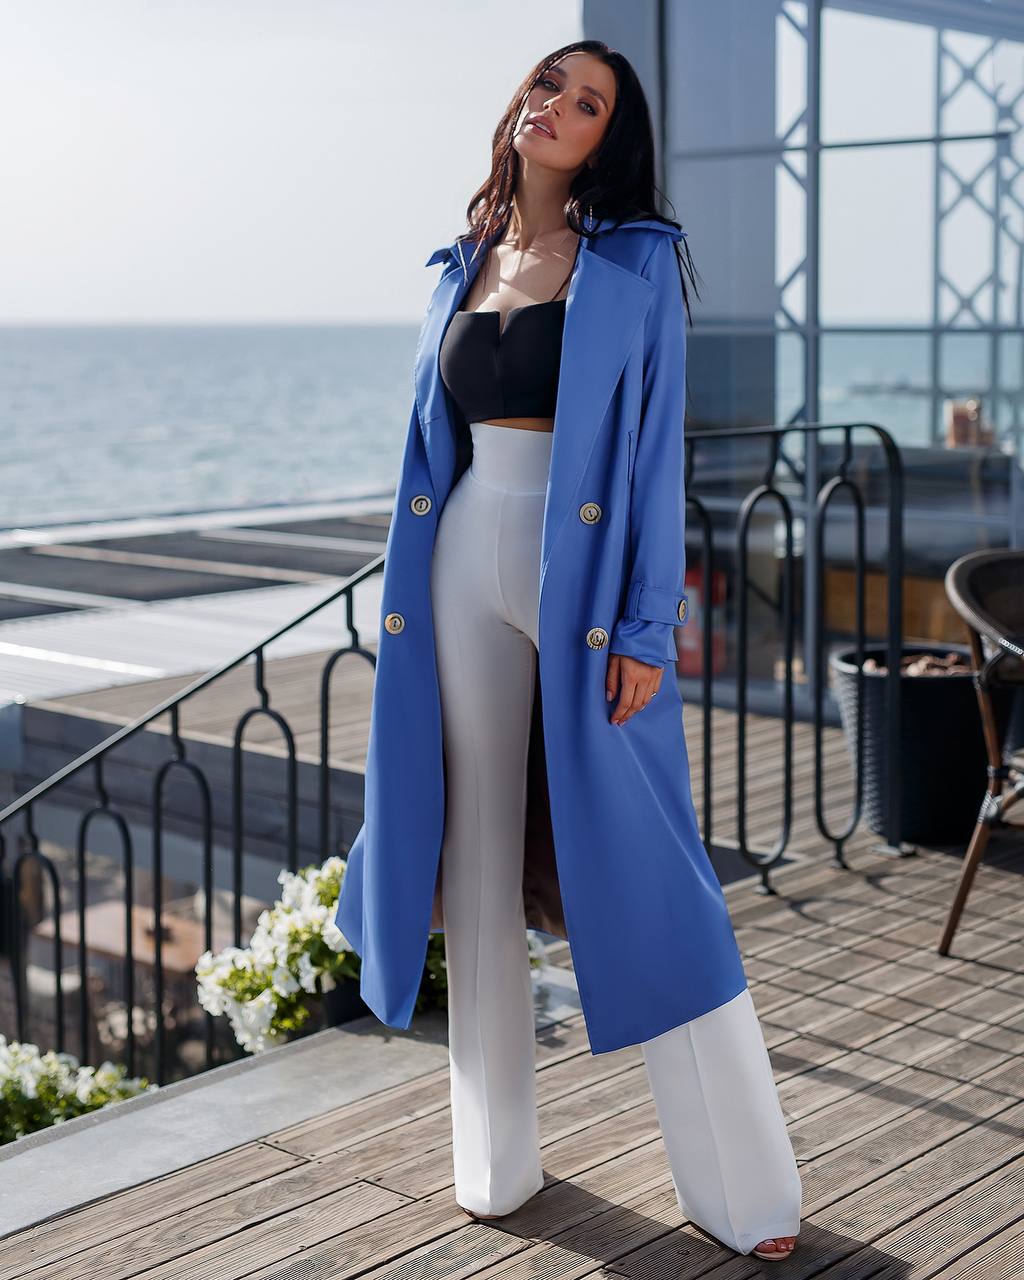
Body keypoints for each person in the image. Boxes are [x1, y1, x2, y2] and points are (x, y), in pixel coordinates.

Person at [425, 41, 801, 1263]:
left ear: (606, 139)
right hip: (459, 562)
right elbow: (433, 453)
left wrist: (650, 623)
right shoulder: (458, 263)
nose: (558, 108)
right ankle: (493, 1162)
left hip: (579, 572)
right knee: (477, 860)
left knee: (653, 866)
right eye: (548, 86)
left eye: (587, 104)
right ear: (519, 104)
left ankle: (745, 1194)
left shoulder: (634, 264)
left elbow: (654, 458)